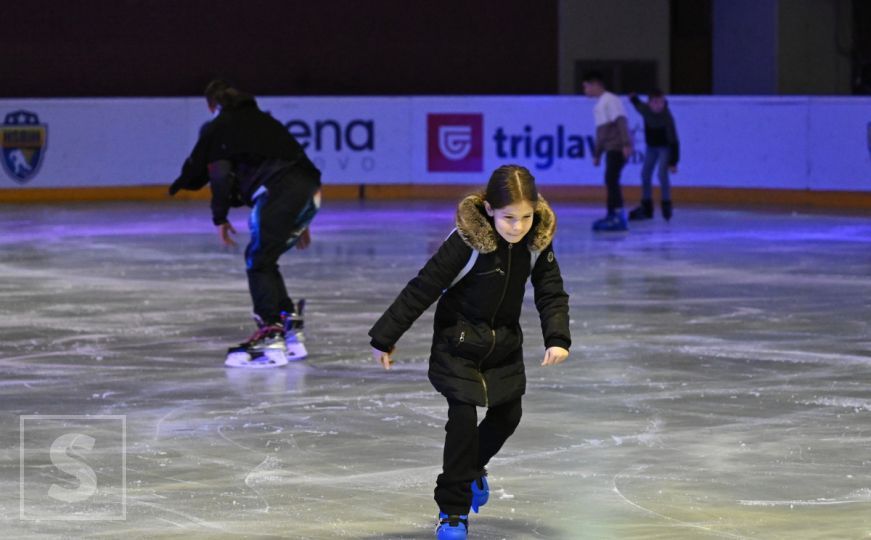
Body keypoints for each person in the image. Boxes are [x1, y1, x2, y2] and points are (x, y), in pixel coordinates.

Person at [368, 165, 571, 539]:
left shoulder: (536, 242)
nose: (518, 226)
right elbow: (424, 286)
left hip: (504, 344)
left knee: (508, 415)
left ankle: (470, 469)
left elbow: (551, 291)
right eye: (509, 217)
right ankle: (453, 512)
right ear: (490, 209)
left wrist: (557, 337)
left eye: (526, 217)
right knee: (462, 419)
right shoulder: (466, 242)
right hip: (458, 342)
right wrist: (386, 335)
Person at [169, 79, 321, 367]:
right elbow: (296, 166)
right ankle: (290, 331)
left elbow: (220, 174)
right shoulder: (265, 122)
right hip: (309, 192)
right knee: (266, 257)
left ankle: (270, 337)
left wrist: (220, 216)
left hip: (281, 192)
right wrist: (302, 218)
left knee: (257, 259)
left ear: (212, 106)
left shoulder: (219, 127)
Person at [582, 71, 633, 232]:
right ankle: (612, 214)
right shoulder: (600, 104)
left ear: (595, 84)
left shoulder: (611, 100)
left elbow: (621, 122)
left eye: (586, 86)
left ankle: (618, 216)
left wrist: (626, 144)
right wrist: (597, 154)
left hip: (617, 147)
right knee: (610, 179)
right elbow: (602, 134)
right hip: (611, 148)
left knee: (611, 179)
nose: (585, 90)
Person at [628, 89, 679, 221]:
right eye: (655, 102)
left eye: (661, 102)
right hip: (651, 147)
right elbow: (638, 105)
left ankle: (666, 204)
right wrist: (633, 98)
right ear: (649, 103)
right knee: (645, 174)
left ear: (664, 103)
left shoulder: (667, 118)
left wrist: (673, 162)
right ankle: (646, 206)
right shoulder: (645, 110)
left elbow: (674, 140)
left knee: (662, 174)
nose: (658, 105)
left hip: (665, 148)